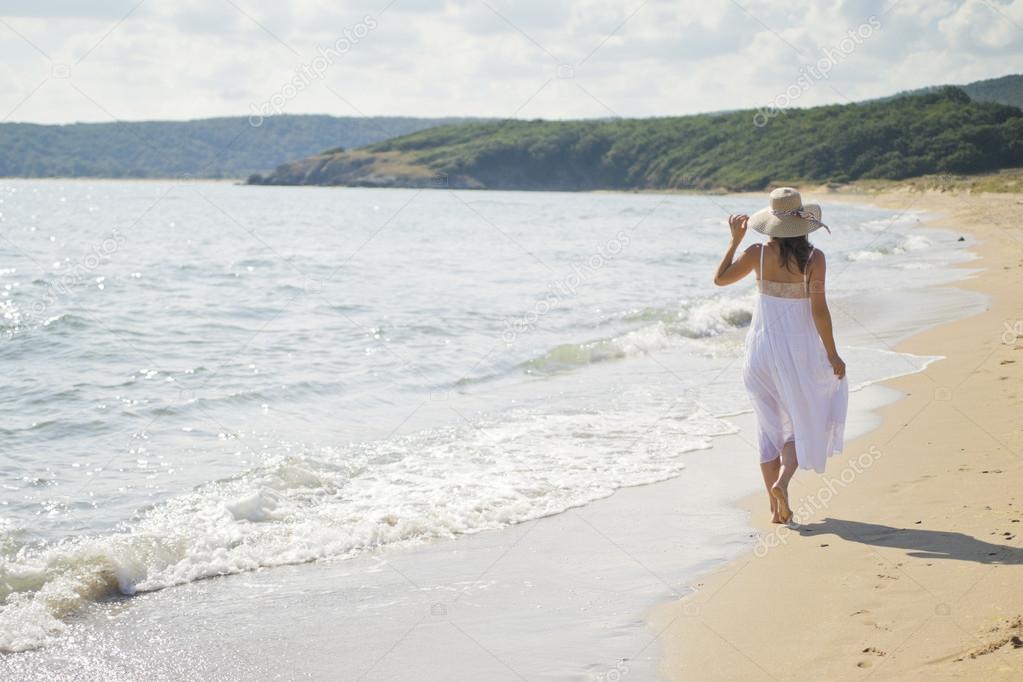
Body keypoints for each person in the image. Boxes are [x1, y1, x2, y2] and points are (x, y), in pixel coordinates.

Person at [713, 187, 849, 524]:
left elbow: (719, 280)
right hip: (796, 353)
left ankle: (776, 511)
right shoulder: (814, 260)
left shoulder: (756, 253)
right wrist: (833, 355)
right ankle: (783, 483)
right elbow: (820, 311)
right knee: (799, 424)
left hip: (759, 354)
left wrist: (734, 240)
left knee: (767, 429)